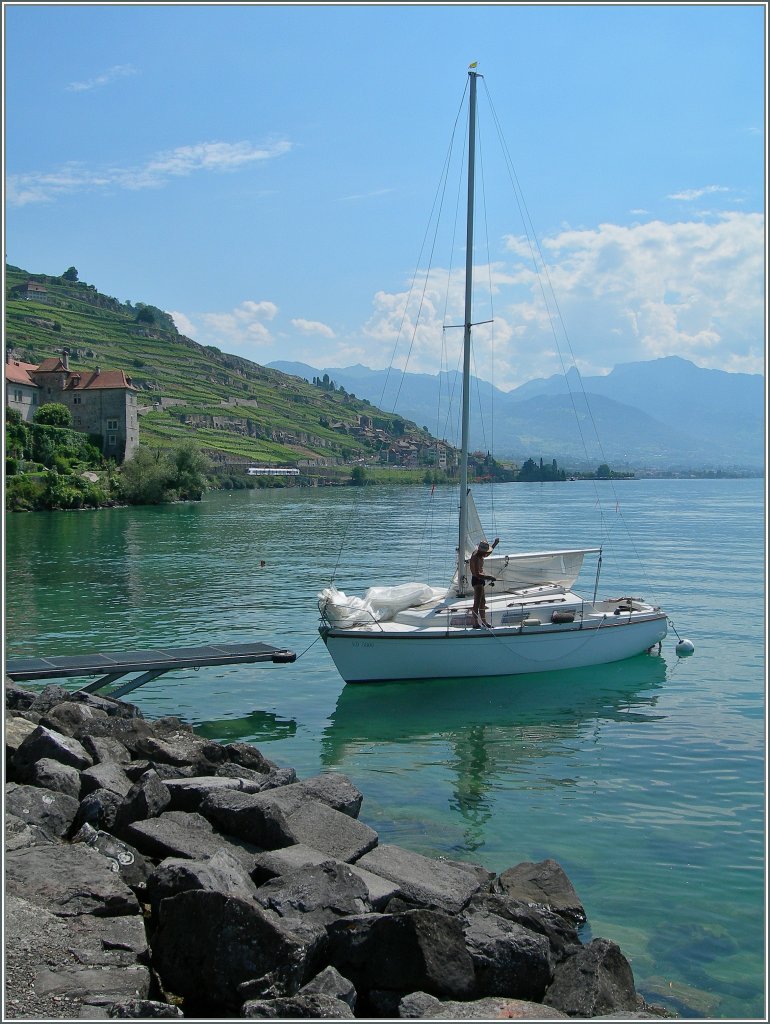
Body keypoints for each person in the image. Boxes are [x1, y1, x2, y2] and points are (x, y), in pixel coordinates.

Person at [469, 537, 500, 627]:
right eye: (485, 551)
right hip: (477, 581)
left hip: (481, 580)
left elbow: (488, 553)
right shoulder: (475, 558)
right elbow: (477, 574)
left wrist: (495, 543)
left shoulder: (480, 554)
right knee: (477, 603)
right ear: (482, 551)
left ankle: (484, 622)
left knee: (483, 602)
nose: (486, 553)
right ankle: (475, 623)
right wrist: (489, 577)